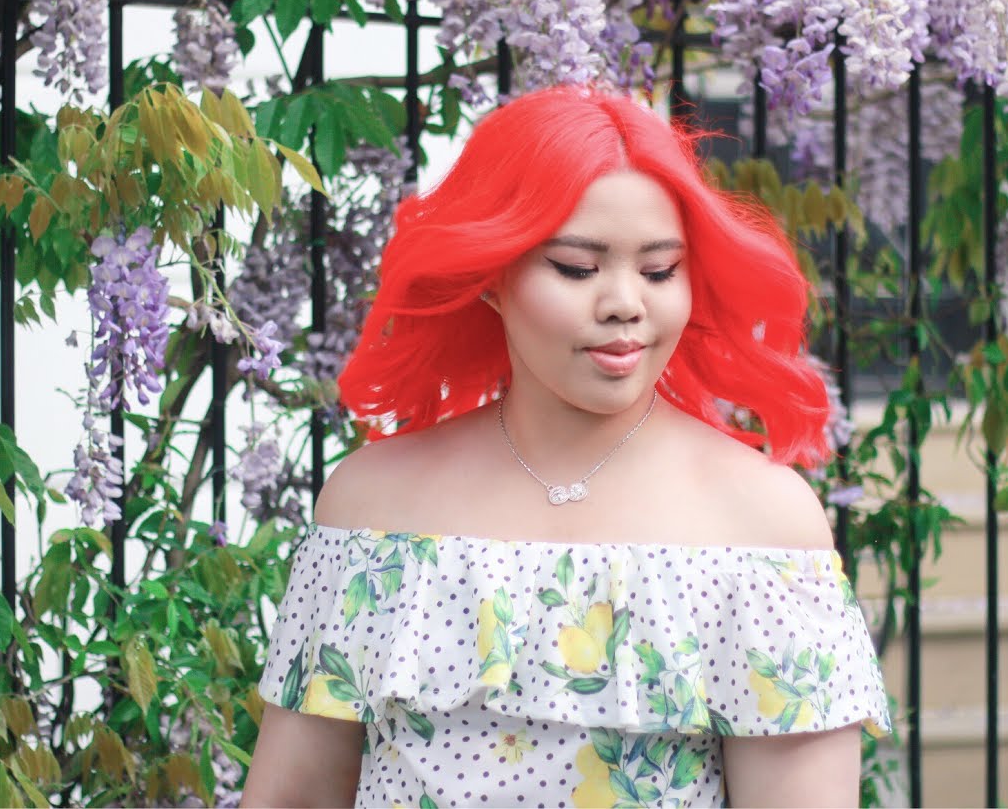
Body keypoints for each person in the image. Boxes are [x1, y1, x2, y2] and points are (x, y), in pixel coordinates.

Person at [240, 84, 890, 808]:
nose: (624, 304)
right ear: (491, 275)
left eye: (660, 271)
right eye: (577, 267)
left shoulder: (762, 525)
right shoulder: (371, 506)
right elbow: (291, 797)